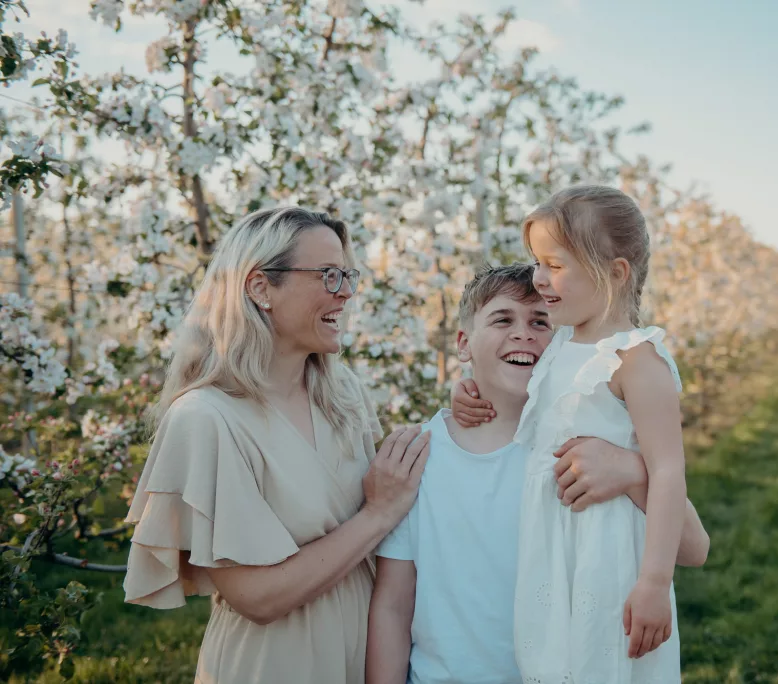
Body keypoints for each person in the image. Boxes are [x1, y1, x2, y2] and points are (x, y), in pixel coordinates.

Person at [122, 207, 430, 684]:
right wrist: (379, 513)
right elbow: (258, 598)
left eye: (348, 275)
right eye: (329, 275)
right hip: (272, 664)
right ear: (261, 287)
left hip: (366, 656)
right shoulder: (205, 418)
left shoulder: (343, 393)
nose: (346, 292)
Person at [366, 263, 709, 684]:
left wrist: (633, 473)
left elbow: (694, 548)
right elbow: (393, 605)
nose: (523, 333)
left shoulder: (585, 446)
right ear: (463, 343)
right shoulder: (417, 456)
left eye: (541, 321)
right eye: (502, 319)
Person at [470, 186, 691, 683]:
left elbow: (669, 470)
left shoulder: (636, 360)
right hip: (553, 554)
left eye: (556, 265)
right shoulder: (561, 343)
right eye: (537, 263)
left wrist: (655, 581)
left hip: (607, 558)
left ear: (614, 273)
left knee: (603, 663)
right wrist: (469, 389)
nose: (540, 279)